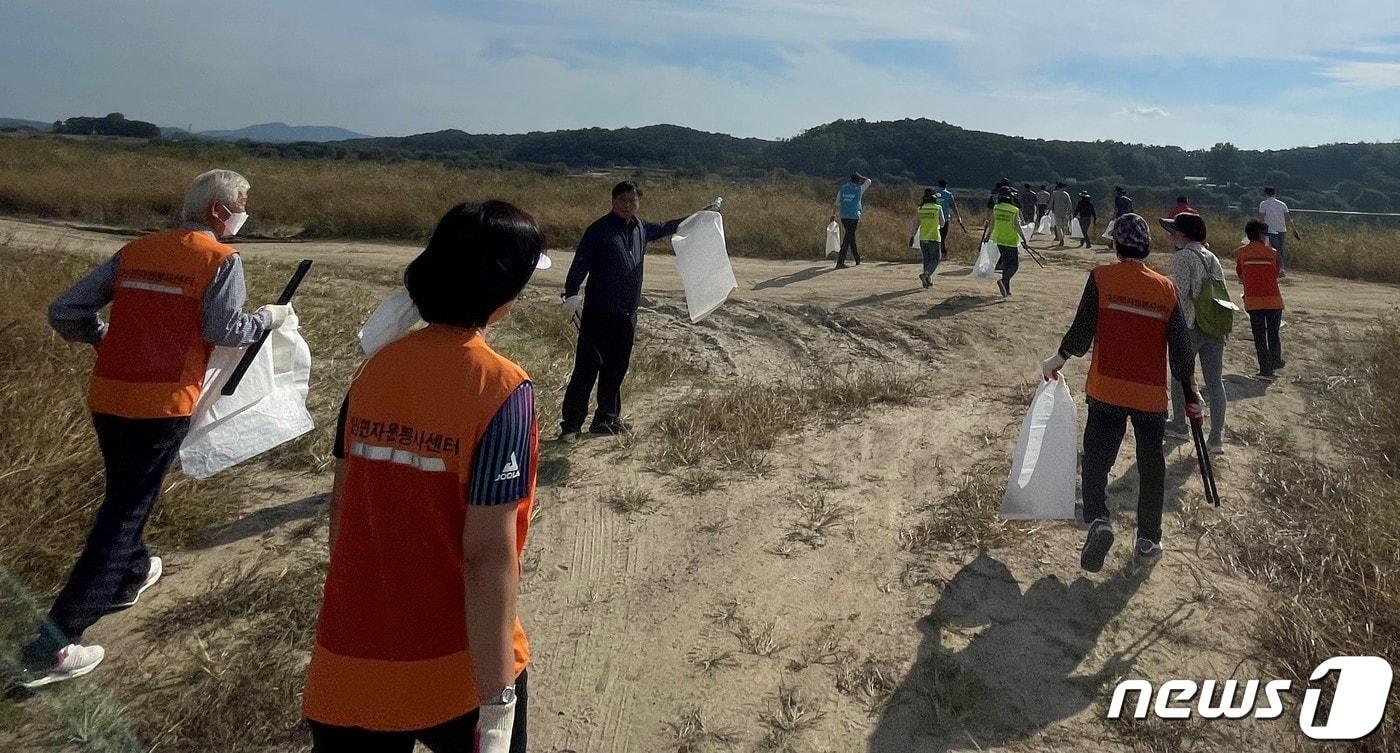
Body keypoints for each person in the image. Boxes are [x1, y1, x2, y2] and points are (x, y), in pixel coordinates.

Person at [18, 169, 288, 688]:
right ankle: (53, 645)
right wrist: (267, 320)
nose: (244, 213)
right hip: (162, 403)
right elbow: (222, 329)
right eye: (243, 204)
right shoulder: (220, 260)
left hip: (110, 396)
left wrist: (103, 339)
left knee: (126, 495)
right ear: (218, 210)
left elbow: (65, 309)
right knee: (123, 512)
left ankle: (131, 573)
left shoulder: (137, 251)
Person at [303, 201, 549, 753]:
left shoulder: (373, 370)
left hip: (347, 659)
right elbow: (488, 556)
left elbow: (343, 511)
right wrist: (496, 698)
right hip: (455, 669)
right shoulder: (502, 391)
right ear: (506, 293)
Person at [1041, 212, 1202, 572]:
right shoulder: (1166, 289)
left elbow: (1082, 332)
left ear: (1116, 245)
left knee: (1097, 459)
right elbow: (1180, 351)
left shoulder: (1101, 278)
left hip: (1107, 389)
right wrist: (1192, 394)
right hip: (1149, 396)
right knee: (1151, 467)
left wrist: (1058, 358)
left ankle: (1099, 520)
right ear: (1146, 247)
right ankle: (1148, 540)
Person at [559, 182, 714, 440]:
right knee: (587, 368)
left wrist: (700, 215)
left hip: (627, 314)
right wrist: (571, 293)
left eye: (632, 201)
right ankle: (571, 426)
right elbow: (580, 263)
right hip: (599, 312)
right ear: (613, 201)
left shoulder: (641, 228)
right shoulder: (598, 231)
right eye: (623, 201)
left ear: (637, 202)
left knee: (616, 367)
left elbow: (668, 226)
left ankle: (606, 419)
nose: (628, 205)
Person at [1161, 212, 1228, 454]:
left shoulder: (1183, 257)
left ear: (1182, 235)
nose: (1171, 237)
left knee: (1181, 376)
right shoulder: (1212, 257)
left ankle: (1180, 424)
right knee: (1215, 382)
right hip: (1214, 325)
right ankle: (1216, 439)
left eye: (1174, 233)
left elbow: (1180, 293)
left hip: (1189, 325)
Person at [1236, 220, 1285, 379]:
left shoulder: (1241, 253)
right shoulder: (1272, 253)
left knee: (1259, 336)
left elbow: (1240, 274)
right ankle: (1276, 361)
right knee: (1273, 333)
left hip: (1253, 302)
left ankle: (1265, 369)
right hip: (1274, 300)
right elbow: (1277, 272)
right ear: (1261, 235)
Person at [989, 189, 1032, 298]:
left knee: (1006, 265)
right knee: (1014, 266)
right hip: (1011, 240)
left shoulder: (996, 208)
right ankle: (1003, 281)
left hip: (999, 239)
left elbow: (992, 223)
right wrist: (1023, 238)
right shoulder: (1014, 210)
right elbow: (1017, 226)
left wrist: (988, 235)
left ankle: (1006, 290)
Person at [831, 173, 873, 268]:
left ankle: (857, 258)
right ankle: (840, 262)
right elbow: (869, 181)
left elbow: (837, 202)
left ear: (850, 180)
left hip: (844, 216)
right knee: (848, 238)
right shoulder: (859, 189)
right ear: (858, 181)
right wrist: (861, 176)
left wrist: (833, 214)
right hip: (854, 216)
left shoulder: (842, 189)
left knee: (850, 236)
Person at [1257, 187, 1297, 275]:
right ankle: (1280, 268)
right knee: (1280, 249)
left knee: (1274, 249)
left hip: (1270, 230)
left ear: (1266, 194)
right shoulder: (1282, 204)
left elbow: (1261, 218)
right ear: (1275, 193)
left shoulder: (1263, 204)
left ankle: (1279, 268)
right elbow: (1288, 219)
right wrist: (1294, 230)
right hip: (1282, 230)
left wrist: (1261, 230)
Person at [912, 188, 945, 289]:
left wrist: (912, 236)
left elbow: (915, 224)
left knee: (927, 259)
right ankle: (926, 275)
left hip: (923, 237)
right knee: (936, 259)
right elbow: (943, 223)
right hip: (934, 237)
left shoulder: (920, 209)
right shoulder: (937, 208)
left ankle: (926, 281)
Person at [936, 179, 962, 257]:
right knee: (943, 235)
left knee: (937, 235)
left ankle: (940, 251)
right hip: (945, 219)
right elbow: (953, 206)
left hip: (935, 218)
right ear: (946, 185)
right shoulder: (948, 194)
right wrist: (958, 217)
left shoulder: (934, 194)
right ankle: (943, 252)